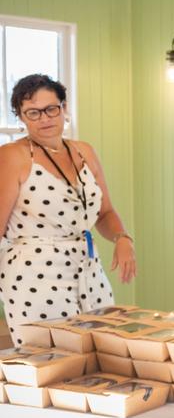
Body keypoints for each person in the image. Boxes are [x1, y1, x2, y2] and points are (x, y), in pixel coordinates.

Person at [0, 74, 135, 328]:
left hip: (87, 266)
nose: (45, 119)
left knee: (103, 349)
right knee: (53, 360)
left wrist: (122, 238)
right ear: (20, 116)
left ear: (64, 108)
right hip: (33, 274)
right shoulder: (12, 156)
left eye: (51, 109)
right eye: (33, 113)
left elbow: (104, 213)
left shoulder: (84, 151)